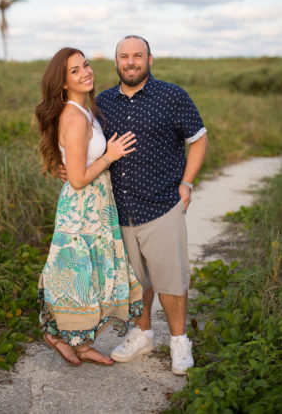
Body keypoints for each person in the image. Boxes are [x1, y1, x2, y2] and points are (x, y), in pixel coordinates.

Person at [60, 36, 207, 374]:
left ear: (149, 60)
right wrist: (64, 164)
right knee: (134, 281)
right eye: (123, 56)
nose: (130, 62)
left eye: (137, 56)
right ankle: (141, 333)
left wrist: (187, 182)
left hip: (162, 205)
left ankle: (179, 340)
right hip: (117, 210)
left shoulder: (172, 96)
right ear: (115, 62)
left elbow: (198, 139)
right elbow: (81, 140)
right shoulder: (103, 102)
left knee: (170, 279)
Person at [35, 47, 143, 367]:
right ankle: (58, 336)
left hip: (97, 205)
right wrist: (110, 155)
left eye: (86, 65)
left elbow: (72, 162)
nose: (86, 73)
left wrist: (65, 163)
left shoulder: (84, 110)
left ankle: (80, 344)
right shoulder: (73, 115)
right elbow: (79, 179)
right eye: (75, 71)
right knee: (79, 277)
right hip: (82, 207)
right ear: (63, 82)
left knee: (91, 276)